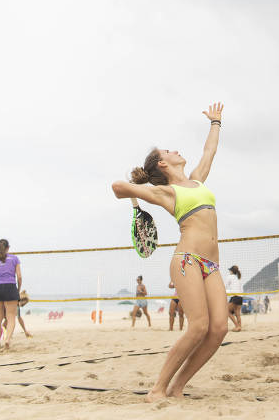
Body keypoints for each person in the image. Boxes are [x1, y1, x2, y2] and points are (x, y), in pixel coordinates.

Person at [111, 102, 228, 401]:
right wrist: (136, 198)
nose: (174, 150)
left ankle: (177, 388)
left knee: (218, 330)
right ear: (163, 164)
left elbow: (209, 153)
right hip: (187, 260)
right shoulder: (166, 192)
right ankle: (157, 389)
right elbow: (117, 186)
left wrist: (215, 123)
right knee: (198, 326)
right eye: (168, 151)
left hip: (211, 264)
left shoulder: (197, 180)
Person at [0, 239, 21, 350]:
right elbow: (19, 277)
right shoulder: (14, 258)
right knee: (11, 317)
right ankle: (7, 340)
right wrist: (18, 289)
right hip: (10, 287)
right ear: (8, 248)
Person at [224, 265, 243, 332]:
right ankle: (239, 327)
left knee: (227, 311)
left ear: (232, 271)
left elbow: (225, 286)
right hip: (240, 297)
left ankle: (237, 326)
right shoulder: (238, 278)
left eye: (230, 270)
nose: (229, 271)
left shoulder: (230, 277)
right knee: (237, 313)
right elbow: (240, 289)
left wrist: (224, 292)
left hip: (235, 296)